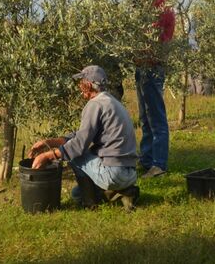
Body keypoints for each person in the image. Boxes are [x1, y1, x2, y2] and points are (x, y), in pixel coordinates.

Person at [30, 65, 139, 209]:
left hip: (113, 173)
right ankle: (123, 192)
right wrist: (48, 142)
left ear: (88, 84)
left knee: (73, 155)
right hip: (129, 172)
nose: (79, 87)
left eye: (81, 82)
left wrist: (48, 156)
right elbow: (81, 136)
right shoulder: (111, 102)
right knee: (76, 194)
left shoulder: (95, 104)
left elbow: (78, 146)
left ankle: (90, 204)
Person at [133, 0, 175, 178]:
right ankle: (147, 160)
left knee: (156, 117)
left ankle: (159, 165)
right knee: (144, 117)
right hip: (142, 66)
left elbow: (157, 39)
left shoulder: (162, 8)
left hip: (153, 67)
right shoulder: (146, 7)